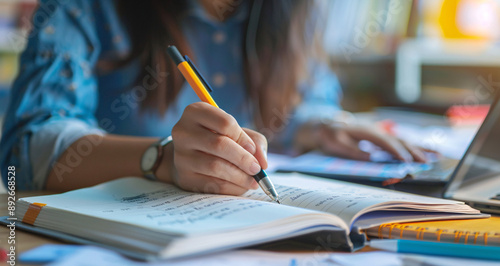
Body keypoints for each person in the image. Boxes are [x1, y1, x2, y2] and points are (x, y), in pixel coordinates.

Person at [0, 0, 426, 194]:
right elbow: (24, 152)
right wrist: (163, 159)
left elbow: (303, 103)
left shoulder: (292, 11)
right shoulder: (85, 7)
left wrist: (319, 124)